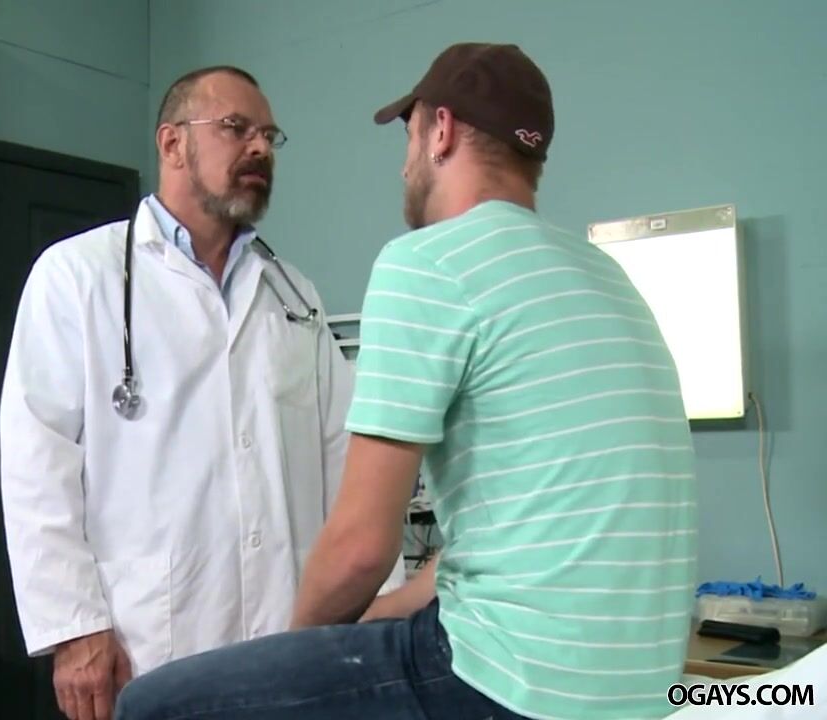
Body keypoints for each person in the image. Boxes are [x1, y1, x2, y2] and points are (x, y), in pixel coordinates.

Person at [114, 43, 698, 720]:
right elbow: (516, 537)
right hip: (637, 691)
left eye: (410, 136)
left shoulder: (429, 263)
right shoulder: (606, 276)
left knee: (152, 705)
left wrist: (296, 654)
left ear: (440, 130)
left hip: (511, 685)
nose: (405, 164)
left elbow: (362, 547)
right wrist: (381, 613)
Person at [0, 65, 388, 720]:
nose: (260, 148)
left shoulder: (294, 296)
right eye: (237, 128)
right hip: (148, 642)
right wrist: (74, 629)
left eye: (269, 135)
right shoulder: (76, 276)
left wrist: (375, 609)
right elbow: (37, 465)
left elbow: (344, 460)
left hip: (290, 641)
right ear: (172, 143)